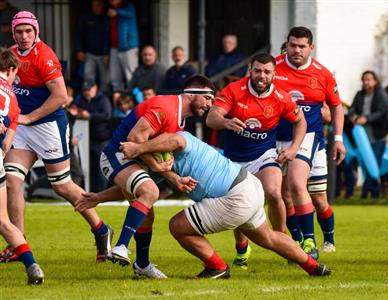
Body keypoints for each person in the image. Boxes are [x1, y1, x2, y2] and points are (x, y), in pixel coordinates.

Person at [77, 131, 332, 279]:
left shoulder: (175, 138)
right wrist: (98, 198)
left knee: (178, 226)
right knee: (269, 238)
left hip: (234, 196)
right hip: (249, 186)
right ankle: (313, 266)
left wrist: (138, 147)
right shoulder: (165, 152)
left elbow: (177, 143)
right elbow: (136, 186)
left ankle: (217, 267)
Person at [0, 11, 113, 263]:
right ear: (13, 33)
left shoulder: (45, 56)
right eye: (19, 31)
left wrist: (29, 117)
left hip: (48, 126)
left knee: (62, 186)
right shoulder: (11, 54)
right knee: (12, 180)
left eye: (29, 31)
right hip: (23, 126)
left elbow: (61, 97)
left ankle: (101, 230)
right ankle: (18, 244)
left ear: (36, 31)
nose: (24, 36)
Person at [77, 75, 215, 279]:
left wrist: (175, 178)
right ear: (193, 94)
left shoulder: (180, 119)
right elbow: (134, 140)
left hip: (134, 161)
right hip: (116, 155)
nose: (209, 105)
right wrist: (156, 165)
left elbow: (146, 159)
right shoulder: (166, 108)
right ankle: (121, 246)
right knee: (150, 191)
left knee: (147, 211)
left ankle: (142, 264)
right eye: (208, 98)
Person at [206, 53, 307, 269]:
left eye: (267, 72)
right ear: (250, 70)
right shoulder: (233, 90)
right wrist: (225, 122)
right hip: (233, 160)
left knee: (273, 192)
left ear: (274, 74)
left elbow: (300, 121)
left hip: (264, 155)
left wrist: (293, 149)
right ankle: (242, 247)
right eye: (258, 70)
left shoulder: (281, 97)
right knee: (238, 202)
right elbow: (211, 118)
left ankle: (283, 241)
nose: (262, 75)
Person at [274, 26, 346, 257]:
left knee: (315, 196)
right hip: (276, 138)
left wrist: (338, 138)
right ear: (287, 44)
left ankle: (326, 240)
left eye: (302, 46)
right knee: (285, 195)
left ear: (310, 48)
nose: (296, 50)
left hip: (309, 137)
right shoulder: (271, 68)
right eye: (293, 45)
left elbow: (336, 106)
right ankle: (299, 244)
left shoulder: (322, 74)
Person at [0, 48, 44, 284]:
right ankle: (32, 266)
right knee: (3, 220)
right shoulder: (12, 95)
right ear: (11, 70)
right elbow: (13, 121)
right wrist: (7, 137)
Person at [348, 70, 388, 199]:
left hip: (377, 136)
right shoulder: (360, 95)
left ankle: (368, 193)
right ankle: (372, 194)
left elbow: (382, 112)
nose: (366, 82)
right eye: (364, 79)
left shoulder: (381, 94)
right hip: (362, 136)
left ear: (375, 81)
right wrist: (354, 117)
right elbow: (352, 109)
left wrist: (367, 118)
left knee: (374, 164)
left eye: (369, 79)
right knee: (366, 165)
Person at [70, 79, 112, 192]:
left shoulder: (103, 99)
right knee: (89, 167)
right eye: (84, 90)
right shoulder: (80, 100)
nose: (86, 92)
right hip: (86, 139)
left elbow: (107, 115)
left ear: (95, 88)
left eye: (88, 90)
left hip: (101, 139)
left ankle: (102, 192)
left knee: (101, 168)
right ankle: (92, 191)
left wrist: (90, 116)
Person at [75, 0, 110, 93]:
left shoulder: (107, 17)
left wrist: (108, 53)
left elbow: (111, 36)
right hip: (89, 53)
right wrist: (80, 50)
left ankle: (103, 101)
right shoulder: (86, 17)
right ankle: (88, 99)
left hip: (104, 54)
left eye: (99, 5)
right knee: (88, 78)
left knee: (105, 80)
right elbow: (79, 34)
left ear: (103, 5)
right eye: (94, 5)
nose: (97, 8)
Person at [108, 0, 139, 91]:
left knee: (131, 76)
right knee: (115, 77)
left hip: (128, 46)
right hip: (114, 47)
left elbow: (131, 13)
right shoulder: (111, 8)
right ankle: (118, 100)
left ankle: (133, 99)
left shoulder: (128, 5)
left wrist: (117, 12)